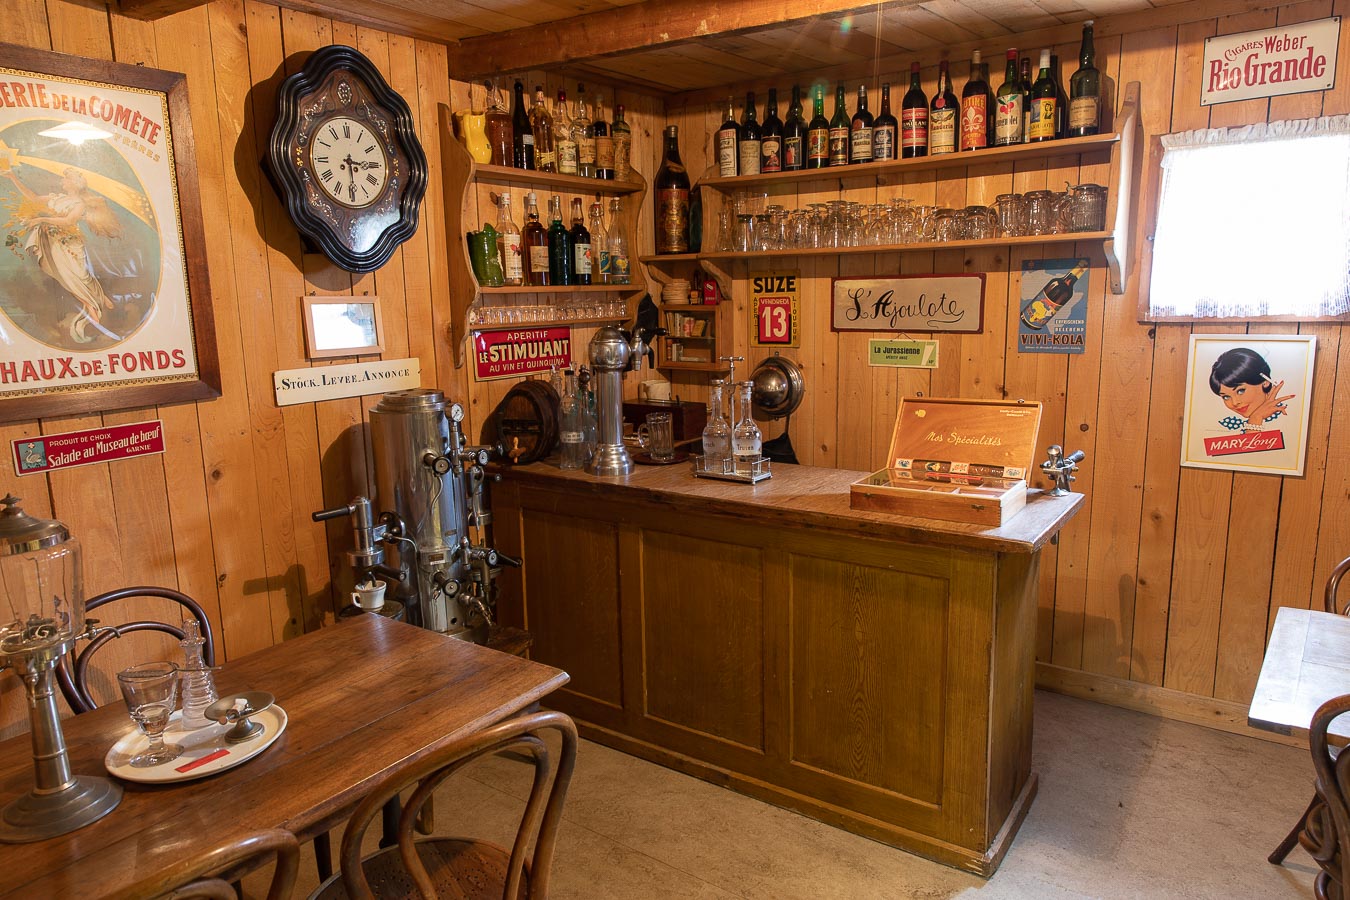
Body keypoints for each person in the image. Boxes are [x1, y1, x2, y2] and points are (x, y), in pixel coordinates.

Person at [3, 166, 122, 342]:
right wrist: (13, 178)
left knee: (79, 276)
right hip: (54, 243)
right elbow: (33, 198)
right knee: (65, 277)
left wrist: (41, 219)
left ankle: (97, 303)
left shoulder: (79, 204)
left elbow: (68, 221)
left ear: (73, 183)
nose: (61, 181)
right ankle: (93, 303)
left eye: (65, 179)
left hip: (70, 244)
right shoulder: (56, 198)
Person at [1208, 347, 1295, 431]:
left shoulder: (1289, 416)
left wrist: (1255, 419)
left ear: (1265, 382)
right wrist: (1256, 418)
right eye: (1226, 397)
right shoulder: (1228, 425)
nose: (1235, 402)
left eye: (1240, 391)